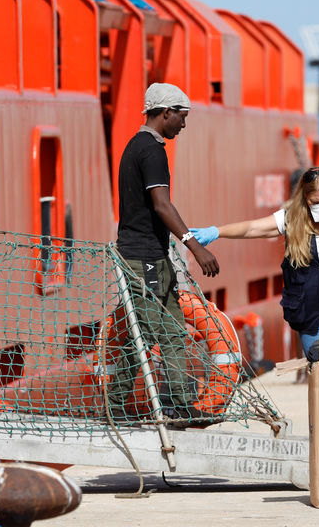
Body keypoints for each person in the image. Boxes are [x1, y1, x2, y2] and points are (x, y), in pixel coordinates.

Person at [191, 166, 319, 469]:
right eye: (316, 201)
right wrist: (216, 232)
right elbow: (252, 228)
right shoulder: (292, 219)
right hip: (313, 320)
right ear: (306, 198)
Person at [109, 82, 220, 428]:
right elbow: (161, 204)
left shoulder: (134, 146)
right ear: (166, 112)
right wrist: (195, 246)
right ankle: (170, 406)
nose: (183, 125)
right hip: (144, 259)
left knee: (149, 331)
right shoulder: (152, 150)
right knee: (162, 331)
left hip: (143, 253)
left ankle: (131, 404)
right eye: (181, 118)